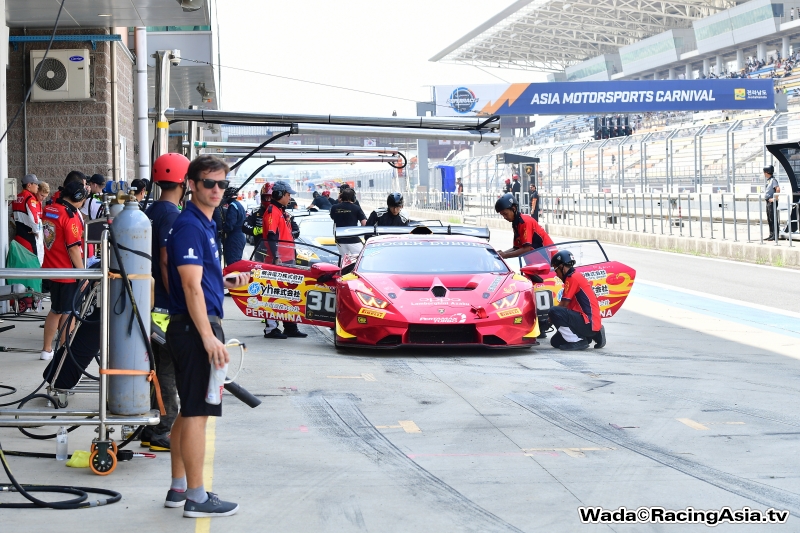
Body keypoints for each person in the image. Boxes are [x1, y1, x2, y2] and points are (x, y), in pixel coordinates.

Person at [165, 155, 248, 518]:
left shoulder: (204, 224)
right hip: (194, 327)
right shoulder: (190, 226)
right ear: (191, 185)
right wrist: (208, 337)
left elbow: (199, 279)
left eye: (222, 184)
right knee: (198, 413)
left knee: (189, 410)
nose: (216, 190)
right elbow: (189, 286)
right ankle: (196, 498)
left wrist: (223, 282)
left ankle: (179, 488)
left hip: (194, 324)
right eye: (209, 183)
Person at [142, 152, 191, 452]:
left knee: (158, 368)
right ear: (184, 182)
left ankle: (150, 426)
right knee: (169, 369)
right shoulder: (171, 215)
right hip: (163, 306)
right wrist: (179, 300)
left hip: (147, 302)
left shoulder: (150, 210)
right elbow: (164, 260)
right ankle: (162, 431)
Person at [40, 181, 87, 361]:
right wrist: (83, 275)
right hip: (67, 272)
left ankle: (47, 350)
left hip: (51, 268)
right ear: (78, 197)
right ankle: (64, 351)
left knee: (56, 309)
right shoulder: (69, 216)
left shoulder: (50, 209)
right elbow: (73, 248)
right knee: (67, 312)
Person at [547, 250, 605, 351]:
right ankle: (594, 334)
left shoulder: (572, 278)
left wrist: (548, 320)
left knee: (553, 311)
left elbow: (563, 305)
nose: (556, 275)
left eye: (556, 270)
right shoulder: (576, 276)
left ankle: (578, 341)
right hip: (590, 322)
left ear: (561, 267)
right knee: (555, 342)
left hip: (588, 322)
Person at [495, 193, 553, 259]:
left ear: (513, 208)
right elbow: (516, 248)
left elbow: (526, 249)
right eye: (502, 215)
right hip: (537, 259)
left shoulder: (525, 222)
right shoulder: (516, 223)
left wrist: (505, 255)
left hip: (549, 258)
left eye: (505, 214)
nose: (504, 217)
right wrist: (501, 254)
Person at [11, 174, 42, 263]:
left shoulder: (16, 197)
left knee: (21, 261)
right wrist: (36, 231)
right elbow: (34, 217)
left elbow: (9, 213)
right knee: (33, 262)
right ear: (29, 185)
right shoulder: (30, 198)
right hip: (29, 236)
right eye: (36, 184)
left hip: (19, 234)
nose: (37, 186)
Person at [330, 187, 367, 256]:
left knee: (344, 259)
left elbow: (333, 217)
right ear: (353, 198)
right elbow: (364, 223)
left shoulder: (334, 207)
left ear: (341, 197)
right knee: (361, 256)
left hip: (339, 239)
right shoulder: (356, 208)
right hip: (352, 238)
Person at [221, 187, 246, 266]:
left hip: (234, 238)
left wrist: (221, 229)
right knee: (236, 262)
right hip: (240, 237)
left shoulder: (232, 206)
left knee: (232, 264)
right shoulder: (239, 205)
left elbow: (230, 225)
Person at [763, 165, 780, 241]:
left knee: (773, 218)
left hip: (772, 202)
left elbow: (778, 189)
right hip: (768, 201)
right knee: (770, 219)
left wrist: (775, 199)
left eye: (764, 172)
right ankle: (771, 234)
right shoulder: (769, 180)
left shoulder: (773, 180)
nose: (764, 174)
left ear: (767, 172)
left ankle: (775, 235)